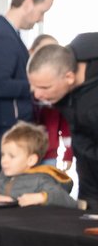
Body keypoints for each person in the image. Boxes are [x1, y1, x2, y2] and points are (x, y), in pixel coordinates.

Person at [0, 0, 55, 175]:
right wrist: (36, 85)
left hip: (7, 130)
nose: (40, 19)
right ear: (28, 3)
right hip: (4, 132)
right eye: (42, 11)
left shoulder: (7, 34)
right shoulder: (3, 38)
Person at [29, 39, 98, 208]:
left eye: (45, 87)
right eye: (34, 87)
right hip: (88, 180)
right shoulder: (66, 58)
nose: (37, 95)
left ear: (69, 77)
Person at [0, 121, 76, 207]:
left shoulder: (41, 180)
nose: (4, 160)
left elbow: (68, 201)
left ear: (31, 160)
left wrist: (41, 197)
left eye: (11, 156)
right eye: (3, 155)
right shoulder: (2, 179)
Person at [28, 35, 72, 169]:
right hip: (26, 154)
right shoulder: (25, 89)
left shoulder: (60, 92)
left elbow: (65, 125)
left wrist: (68, 153)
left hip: (50, 155)